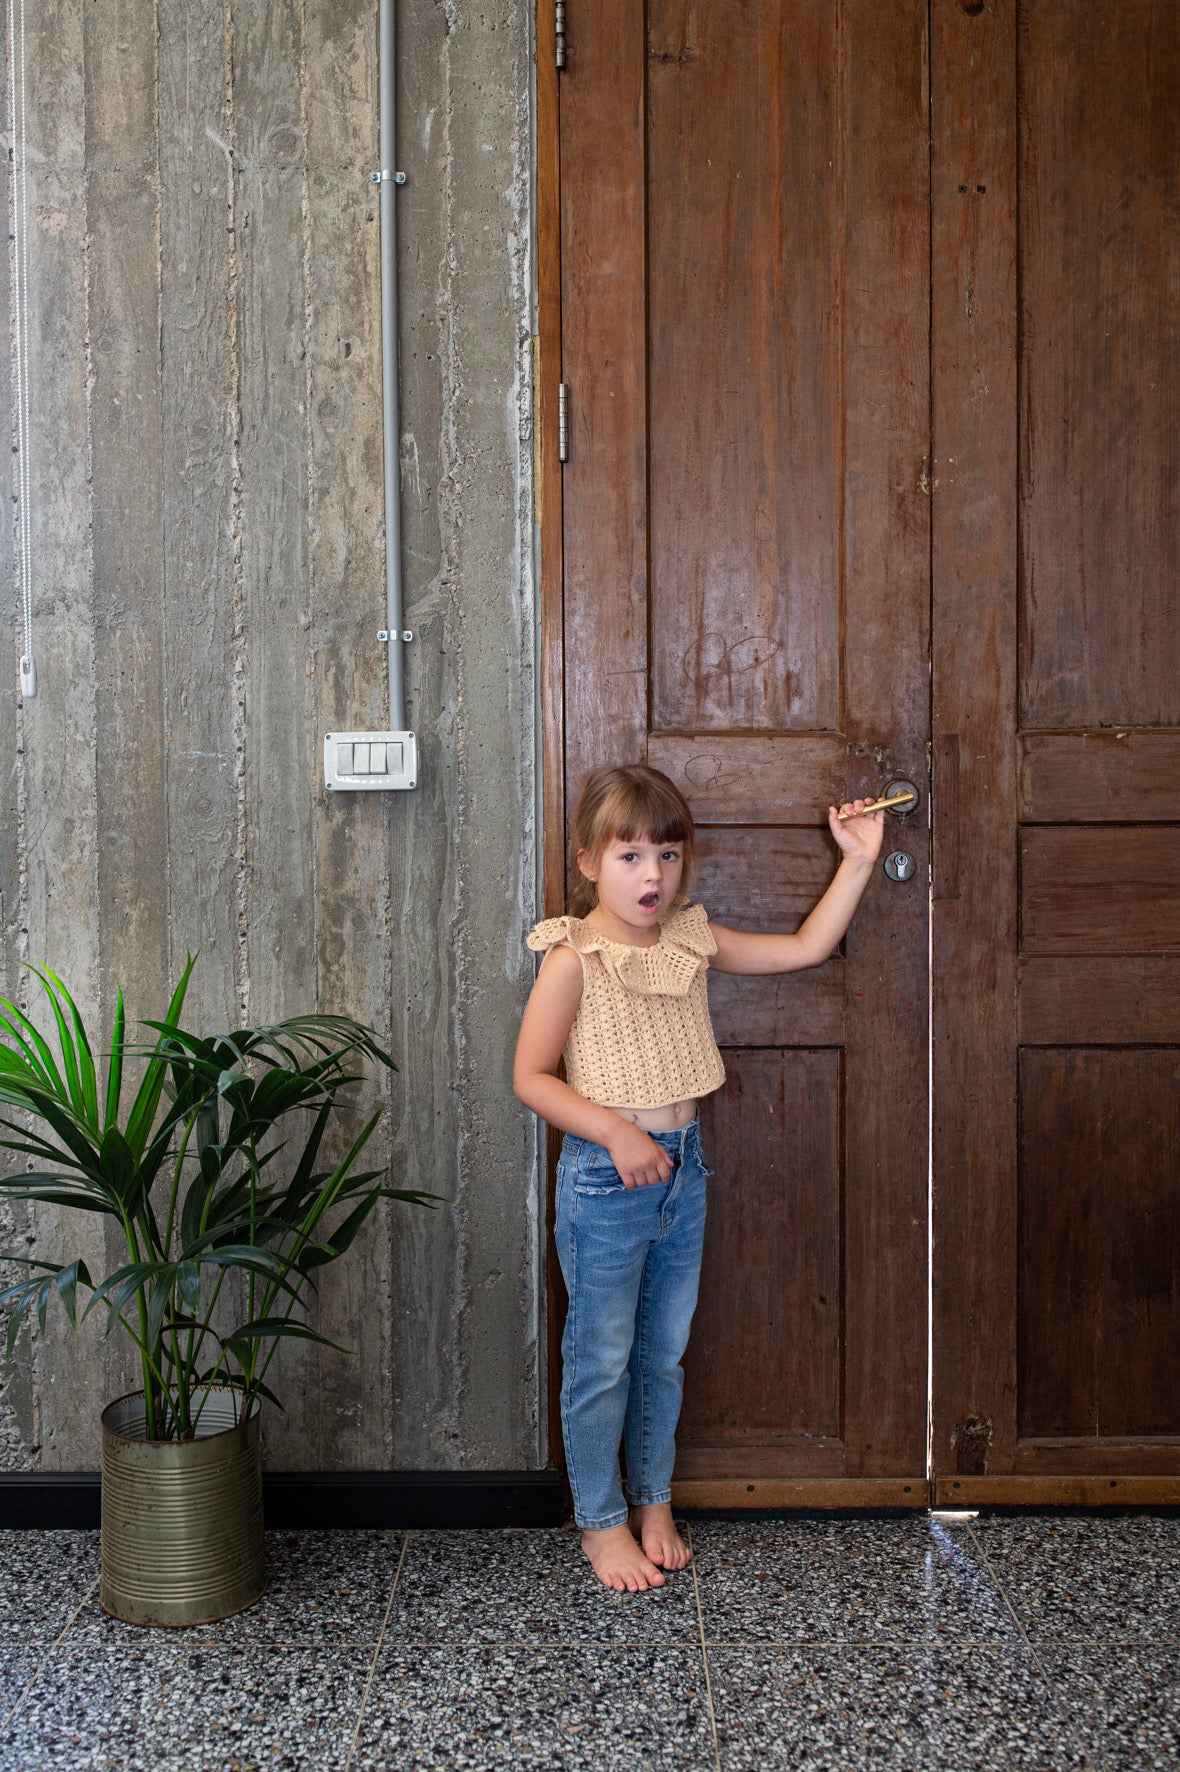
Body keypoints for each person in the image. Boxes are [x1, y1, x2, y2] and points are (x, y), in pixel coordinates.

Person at [513, 763, 885, 1592]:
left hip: (685, 1174)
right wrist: (614, 1131)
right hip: (607, 1183)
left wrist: (858, 859)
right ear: (589, 863)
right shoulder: (574, 957)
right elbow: (531, 1077)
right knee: (602, 1358)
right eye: (630, 856)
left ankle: (653, 1501)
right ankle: (600, 1521)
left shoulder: (691, 937)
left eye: (668, 855)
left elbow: (803, 948)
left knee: (663, 1354)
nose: (652, 874)